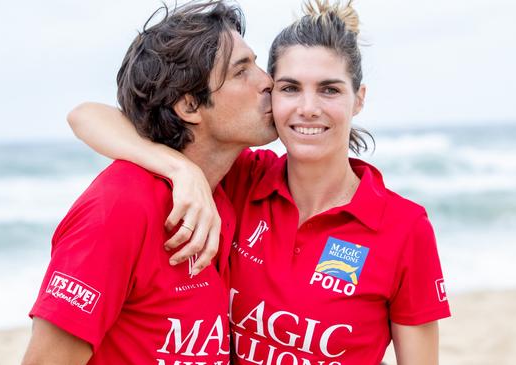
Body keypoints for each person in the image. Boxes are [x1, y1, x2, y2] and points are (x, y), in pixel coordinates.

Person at [68, 1, 451, 363]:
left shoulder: (404, 228)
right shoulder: (242, 181)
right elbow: (87, 116)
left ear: (359, 99)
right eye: (289, 87)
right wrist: (179, 169)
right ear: (272, 93)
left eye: (330, 89)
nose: (308, 108)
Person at [21, 1, 277, 364]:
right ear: (189, 106)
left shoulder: (230, 182)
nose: (268, 81)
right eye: (241, 71)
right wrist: (180, 168)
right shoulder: (120, 207)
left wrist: (183, 169)